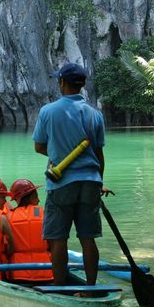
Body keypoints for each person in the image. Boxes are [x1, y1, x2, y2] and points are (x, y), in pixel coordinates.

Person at [32, 62, 113, 287]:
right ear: (83, 84)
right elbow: (99, 155)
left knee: (58, 239)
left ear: (61, 82)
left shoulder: (48, 111)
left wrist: (59, 152)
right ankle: (90, 288)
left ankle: (59, 287)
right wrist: (99, 183)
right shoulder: (95, 115)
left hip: (61, 183)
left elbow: (39, 146)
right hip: (90, 182)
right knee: (88, 238)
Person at [7, 179, 53, 282]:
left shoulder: (8, 217)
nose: (38, 201)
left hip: (18, 274)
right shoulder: (44, 213)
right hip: (45, 273)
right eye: (36, 197)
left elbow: (7, 248)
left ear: (17, 199)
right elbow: (53, 243)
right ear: (30, 197)